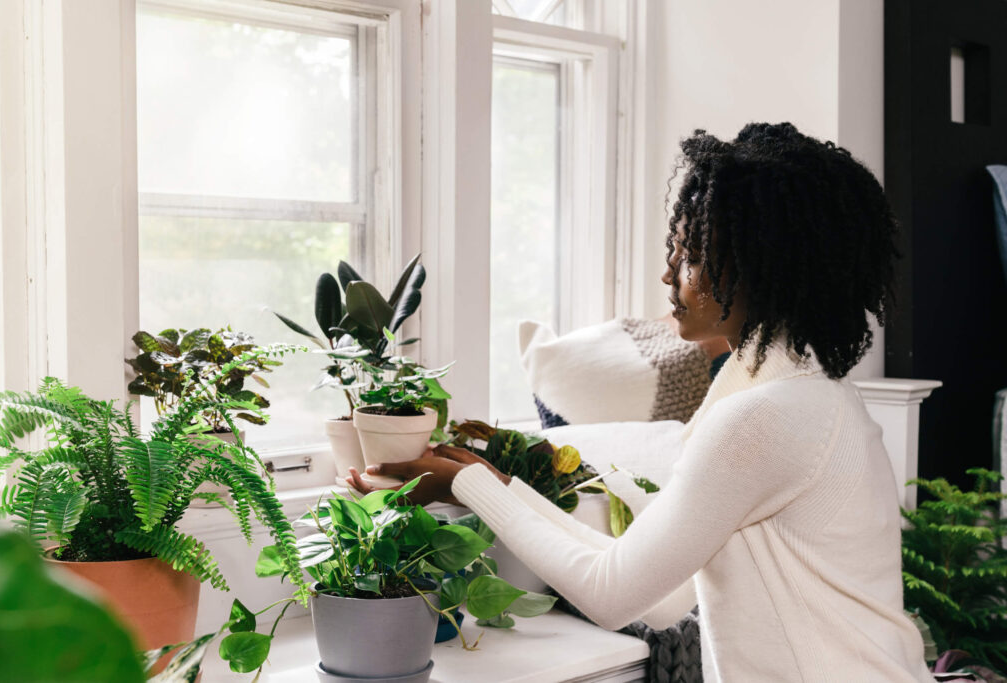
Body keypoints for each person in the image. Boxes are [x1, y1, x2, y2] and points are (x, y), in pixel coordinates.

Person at [348, 122, 932, 682]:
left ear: (764, 267)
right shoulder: (803, 392)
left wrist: (464, 486)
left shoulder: (762, 417)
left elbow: (611, 593)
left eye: (691, 255)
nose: (669, 275)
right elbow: (661, 599)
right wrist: (490, 481)